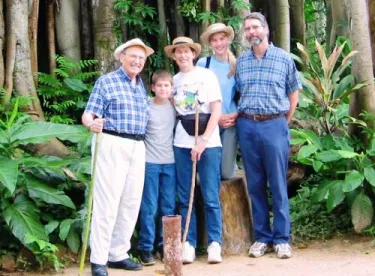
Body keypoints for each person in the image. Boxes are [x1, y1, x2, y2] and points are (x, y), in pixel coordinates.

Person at [81, 38, 154, 276]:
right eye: (133, 56)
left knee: (130, 203)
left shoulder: (140, 85)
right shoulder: (107, 81)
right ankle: (99, 260)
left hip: (137, 145)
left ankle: (118, 254)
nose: (137, 61)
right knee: (107, 203)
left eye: (141, 58)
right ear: (121, 57)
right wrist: (92, 124)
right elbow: (88, 115)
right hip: (111, 142)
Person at [235, 12, 302, 259]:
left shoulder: (284, 59)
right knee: (255, 184)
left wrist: (281, 122)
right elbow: (239, 93)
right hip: (247, 126)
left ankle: (282, 238)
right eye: (248, 29)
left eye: (255, 27)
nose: (252, 32)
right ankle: (262, 237)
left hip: (274, 125)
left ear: (266, 29)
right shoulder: (241, 61)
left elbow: (293, 95)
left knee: (277, 183)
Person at [164, 37, 223, 264]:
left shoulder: (206, 76)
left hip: (208, 142)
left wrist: (203, 142)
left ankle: (214, 243)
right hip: (182, 142)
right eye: (178, 52)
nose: (182, 55)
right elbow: (174, 109)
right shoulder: (174, 80)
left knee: (210, 195)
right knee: (185, 196)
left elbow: (216, 111)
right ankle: (187, 242)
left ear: (193, 53)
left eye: (186, 51)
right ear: (173, 56)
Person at [137, 70, 176, 265]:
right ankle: (146, 247)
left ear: (172, 88)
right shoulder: (145, 106)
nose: (163, 89)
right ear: (152, 88)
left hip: (170, 162)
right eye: (159, 85)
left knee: (168, 206)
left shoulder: (176, 107)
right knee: (150, 206)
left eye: (167, 86)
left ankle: (165, 245)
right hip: (149, 162)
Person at [198, 23, 238, 180]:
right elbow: (198, 96)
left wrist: (236, 115)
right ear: (210, 43)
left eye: (222, 39)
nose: (219, 43)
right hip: (209, 123)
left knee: (226, 174)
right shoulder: (203, 64)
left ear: (228, 39)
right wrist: (216, 118)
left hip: (230, 123)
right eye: (214, 40)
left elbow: (243, 95)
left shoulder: (236, 65)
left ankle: (230, 163)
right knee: (207, 175)